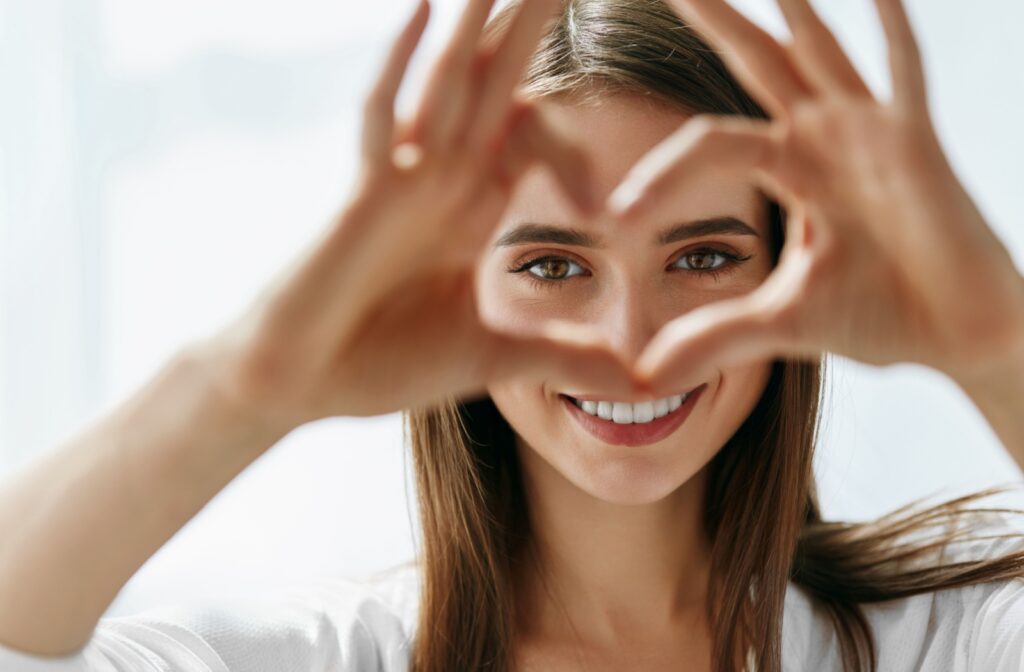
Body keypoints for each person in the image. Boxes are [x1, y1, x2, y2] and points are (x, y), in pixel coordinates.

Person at [1, 0, 1023, 670]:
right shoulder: (313, 656)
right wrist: (244, 388)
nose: (630, 336)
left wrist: (998, 346)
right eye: (551, 265)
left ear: (788, 267)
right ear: (461, 288)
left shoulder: (942, 642)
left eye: (704, 256)